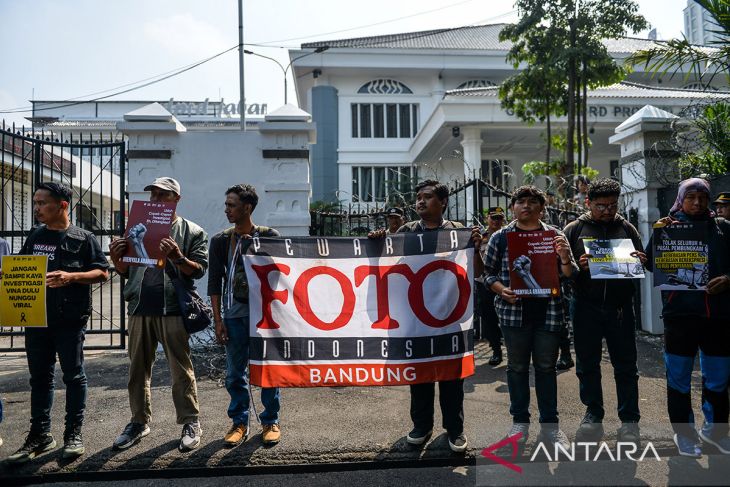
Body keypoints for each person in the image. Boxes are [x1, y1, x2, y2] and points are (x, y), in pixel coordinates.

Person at [369, 179, 482, 453]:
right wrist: (378, 244)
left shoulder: (459, 232)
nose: (420, 201)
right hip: (416, 318)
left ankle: (455, 430)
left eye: (428, 197)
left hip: (450, 317)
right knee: (419, 376)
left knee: (451, 378)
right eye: (418, 197)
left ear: (443, 202)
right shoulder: (407, 231)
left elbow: (477, 272)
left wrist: (476, 248)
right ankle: (421, 427)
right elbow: (387, 267)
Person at [6, 183, 109, 464]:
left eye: (42, 203)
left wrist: (72, 277)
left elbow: (102, 272)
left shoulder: (83, 237)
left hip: (69, 320)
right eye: (36, 203)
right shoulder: (35, 236)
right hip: (36, 319)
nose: (37, 208)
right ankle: (40, 435)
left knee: (73, 376)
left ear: (63, 205)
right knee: (39, 378)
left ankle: (73, 435)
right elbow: (22, 268)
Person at [109, 177, 209, 452]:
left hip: (172, 308)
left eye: (162, 196)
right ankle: (139, 422)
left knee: (180, 370)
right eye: (152, 196)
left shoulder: (192, 231)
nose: (155, 201)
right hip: (140, 308)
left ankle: (191, 421)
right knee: (137, 370)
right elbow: (126, 271)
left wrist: (177, 256)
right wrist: (117, 259)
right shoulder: (136, 229)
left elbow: (198, 270)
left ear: (175, 199)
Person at [483, 185, 577, 450]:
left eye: (532, 201)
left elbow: (570, 275)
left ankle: (551, 428)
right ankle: (519, 425)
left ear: (542, 207)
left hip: (548, 312)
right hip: (513, 314)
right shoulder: (501, 237)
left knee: (546, 369)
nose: (526, 206)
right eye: (521, 201)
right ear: (513, 207)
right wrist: (502, 290)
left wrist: (565, 258)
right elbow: (487, 274)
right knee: (517, 368)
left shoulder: (554, 236)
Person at [645, 178, 730, 457]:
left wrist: (729, 279)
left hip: (718, 317)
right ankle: (684, 435)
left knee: (718, 378)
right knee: (679, 379)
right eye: (691, 197)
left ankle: (715, 433)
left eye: (703, 198)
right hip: (679, 316)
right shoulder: (666, 227)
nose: (697, 203)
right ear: (681, 199)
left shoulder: (724, 228)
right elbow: (648, 263)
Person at [563, 178, 646, 444]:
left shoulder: (627, 228)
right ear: (588, 202)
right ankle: (593, 414)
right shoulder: (574, 229)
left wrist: (641, 260)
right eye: (601, 206)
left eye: (612, 205)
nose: (608, 211)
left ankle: (630, 421)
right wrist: (578, 266)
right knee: (587, 364)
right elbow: (561, 272)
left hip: (621, 308)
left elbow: (644, 261)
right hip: (585, 306)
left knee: (626, 365)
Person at [208, 184, 282, 447]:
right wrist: (218, 320)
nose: (226, 209)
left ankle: (270, 420)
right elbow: (214, 282)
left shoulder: (269, 235)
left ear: (247, 208)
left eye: (232, 205)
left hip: (264, 317)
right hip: (235, 316)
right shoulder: (220, 240)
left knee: (268, 371)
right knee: (234, 374)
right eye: (226, 204)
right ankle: (239, 422)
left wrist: (260, 250)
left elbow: (282, 274)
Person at [478, 207, 506, 366]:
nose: (496, 221)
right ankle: (496, 349)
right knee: (489, 318)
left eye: (499, 218)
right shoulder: (480, 237)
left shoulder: (508, 235)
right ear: (487, 218)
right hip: (485, 283)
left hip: (505, 282)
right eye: (493, 218)